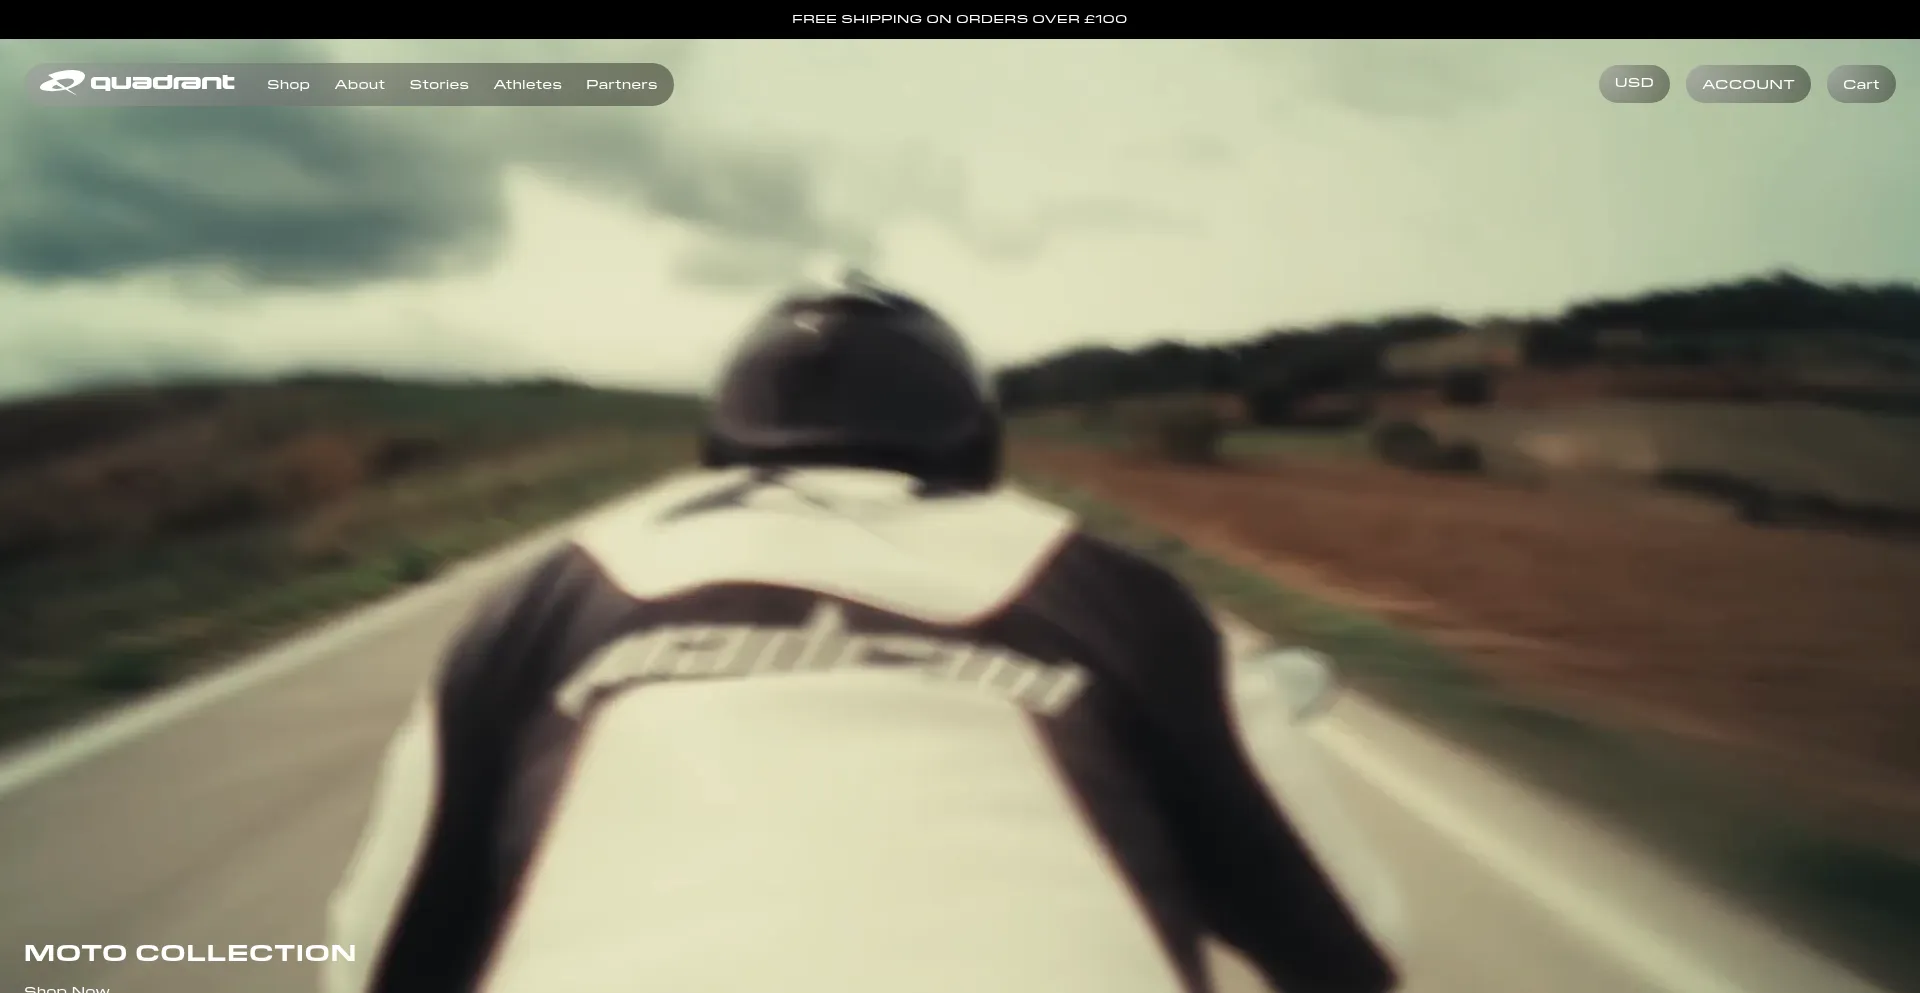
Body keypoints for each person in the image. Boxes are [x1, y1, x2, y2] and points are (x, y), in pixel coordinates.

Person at [322, 277, 1404, 993]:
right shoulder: (1116, 590)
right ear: (976, 438)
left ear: (725, 440)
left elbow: (370, 959)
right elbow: (1353, 943)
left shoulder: (544, 596)